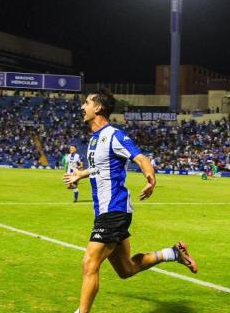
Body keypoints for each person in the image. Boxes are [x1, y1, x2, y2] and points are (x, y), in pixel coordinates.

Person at [63, 89, 198, 313]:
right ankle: (173, 253)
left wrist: (150, 177)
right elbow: (101, 167)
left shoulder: (114, 135)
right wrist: (80, 174)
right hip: (106, 211)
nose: (82, 107)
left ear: (98, 108)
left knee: (89, 263)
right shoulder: (94, 139)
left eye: (86, 102)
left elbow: (140, 157)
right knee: (126, 270)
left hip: (114, 211)